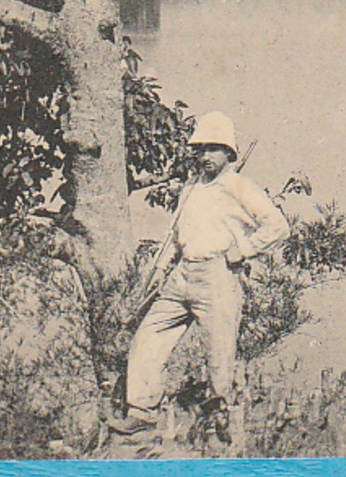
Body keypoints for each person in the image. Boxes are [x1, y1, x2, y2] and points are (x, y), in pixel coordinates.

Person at [110, 112, 290, 442]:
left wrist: (245, 249)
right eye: (201, 149)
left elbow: (278, 226)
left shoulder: (238, 186)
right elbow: (176, 236)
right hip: (181, 275)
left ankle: (221, 419)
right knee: (148, 337)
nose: (205, 156)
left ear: (229, 153)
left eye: (213, 149)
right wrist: (161, 271)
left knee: (219, 355)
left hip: (217, 275)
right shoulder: (191, 188)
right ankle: (141, 412)